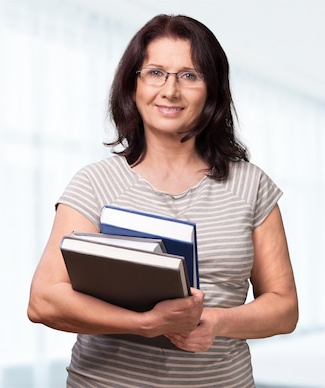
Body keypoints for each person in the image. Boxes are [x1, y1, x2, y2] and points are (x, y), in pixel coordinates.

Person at [27, 14, 298, 387]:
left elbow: (284, 308)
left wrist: (218, 322)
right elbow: (44, 300)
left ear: (212, 90)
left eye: (189, 75)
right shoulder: (96, 183)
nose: (170, 91)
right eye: (155, 72)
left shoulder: (251, 186)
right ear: (132, 85)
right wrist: (145, 324)